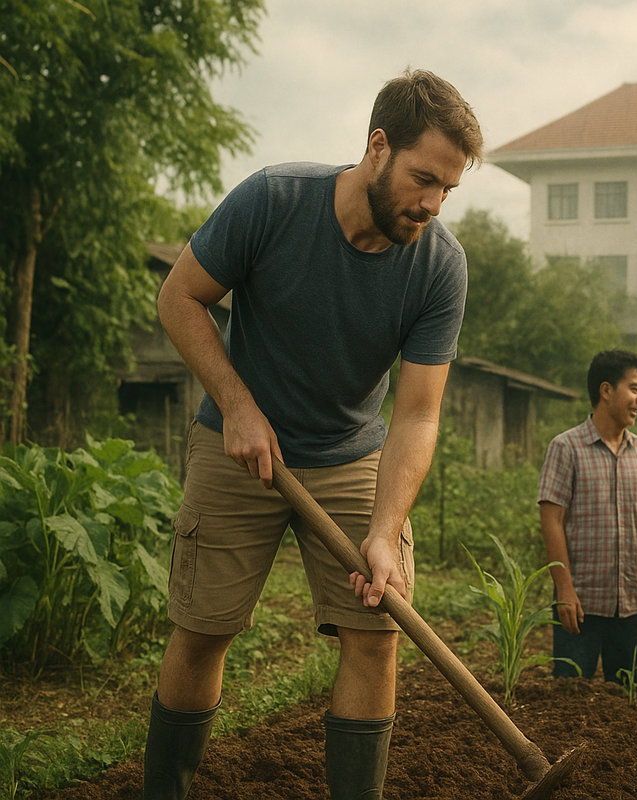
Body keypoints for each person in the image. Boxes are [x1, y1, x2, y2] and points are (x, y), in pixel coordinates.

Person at [145, 70, 483, 800]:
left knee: (376, 634)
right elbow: (179, 297)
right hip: (237, 443)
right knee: (204, 629)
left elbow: (420, 413)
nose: (431, 204)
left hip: (352, 455)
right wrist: (236, 403)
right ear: (377, 146)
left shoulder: (439, 267)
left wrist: (386, 531)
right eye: (424, 179)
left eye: (448, 190)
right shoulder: (275, 200)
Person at [537, 349, 637, 683]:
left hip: (629, 604)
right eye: (635, 389)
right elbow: (552, 521)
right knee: (570, 699)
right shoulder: (566, 448)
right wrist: (564, 589)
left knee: (623, 703)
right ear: (606, 390)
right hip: (580, 604)